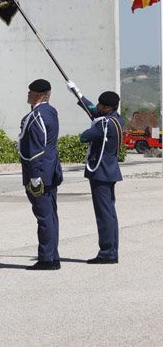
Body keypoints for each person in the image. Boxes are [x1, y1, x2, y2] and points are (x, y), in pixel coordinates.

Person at [68, 83, 123, 265]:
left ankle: (107, 252)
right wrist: (78, 94)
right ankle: (111, 250)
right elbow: (93, 111)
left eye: (100, 105)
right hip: (110, 171)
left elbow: (85, 136)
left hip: (100, 172)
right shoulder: (116, 119)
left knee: (104, 214)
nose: (97, 107)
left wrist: (94, 123)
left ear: (107, 108)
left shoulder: (104, 124)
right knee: (110, 213)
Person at [19, 79, 64, 271]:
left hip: (39, 172)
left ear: (38, 95)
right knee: (50, 215)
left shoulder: (37, 115)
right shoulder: (50, 111)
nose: (27, 95)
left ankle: (47, 259)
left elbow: (37, 147)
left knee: (44, 216)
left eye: (30, 92)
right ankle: (52, 256)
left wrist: (35, 175)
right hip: (51, 169)